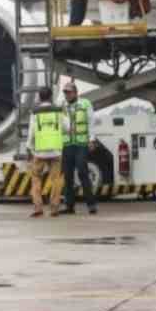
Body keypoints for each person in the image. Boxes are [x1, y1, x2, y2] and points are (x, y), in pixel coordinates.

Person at [25, 87, 67, 217]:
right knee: (56, 180)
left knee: (36, 179)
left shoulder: (35, 113)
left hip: (40, 152)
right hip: (55, 151)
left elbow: (31, 132)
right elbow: (67, 127)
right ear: (50, 97)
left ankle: (38, 208)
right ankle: (54, 208)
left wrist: (29, 147)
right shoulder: (58, 111)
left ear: (39, 97)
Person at [59, 82, 98, 215]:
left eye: (69, 92)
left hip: (81, 144)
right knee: (68, 176)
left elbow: (91, 122)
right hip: (67, 145)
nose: (67, 95)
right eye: (65, 92)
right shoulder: (62, 106)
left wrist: (92, 139)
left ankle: (91, 204)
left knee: (82, 172)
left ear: (76, 93)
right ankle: (69, 206)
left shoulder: (85, 104)